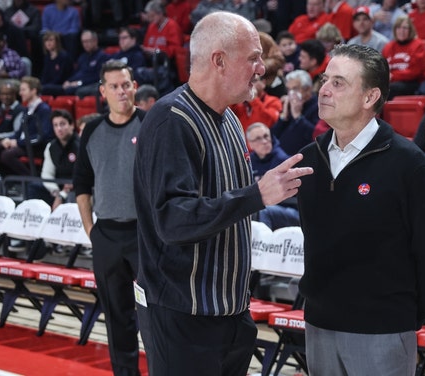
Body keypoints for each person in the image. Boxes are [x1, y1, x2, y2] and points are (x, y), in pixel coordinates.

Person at [133, 12, 313, 375]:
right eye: (253, 58)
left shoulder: (230, 118)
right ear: (219, 60)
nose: (262, 68)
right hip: (184, 315)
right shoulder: (172, 120)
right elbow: (172, 219)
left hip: (230, 311)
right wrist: (255, 197)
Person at [296, 44, 425, 375]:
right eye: (324, 79)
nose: (323, 90)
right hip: (319, 325)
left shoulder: (409, 164)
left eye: (339, 82)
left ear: (369, 98)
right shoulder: (308, 160)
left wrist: (401, 317)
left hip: (382, 330)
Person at [73, 60, 145, 376]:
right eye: (114, 86)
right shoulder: (91, 130)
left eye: (125, 84)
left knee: (154, 313)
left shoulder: (150, 124)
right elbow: (80, 185)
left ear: (134, 87)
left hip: (144, 236)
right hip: (107, 236)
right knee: (117, 315)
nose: (121, 91)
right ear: (103, 92)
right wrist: (92, 231)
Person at [0, 76, 53, 177]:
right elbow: (20, 132)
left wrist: (17, 142)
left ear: (33, 91)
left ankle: (31, 180)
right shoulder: (27, 109)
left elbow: (42, 135)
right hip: (23, 143)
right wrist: (9, 139)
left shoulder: (44, 109)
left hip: (35, 146)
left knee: (7, 155)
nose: (20, 93)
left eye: (23, 90)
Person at [27, 109, 78, 209]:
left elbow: (81, 177)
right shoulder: (51, 147)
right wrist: (56, 192)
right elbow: (47, 174)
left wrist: (62, 195)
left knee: (73, 195)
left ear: (71, 125)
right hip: (57, 188)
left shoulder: (81, 146)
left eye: (62, 124)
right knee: (34, 186)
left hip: (75, 187)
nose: (59, 128)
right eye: (55, 125)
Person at [44, 30, 109, 98]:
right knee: (47, 88)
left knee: (63, 90)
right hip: (73, 85)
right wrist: (68, 81)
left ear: (95, 41)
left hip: (87, 86)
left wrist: (79, 83)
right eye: (83, 42)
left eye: (87, 41)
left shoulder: (102, 57)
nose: (85, 44)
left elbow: (97, 77)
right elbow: (75, 73)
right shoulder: (82, 57)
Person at [271, 69, 320, 156]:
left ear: (308, 89)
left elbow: (316, 136)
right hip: (279, 155)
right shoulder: (290, 105)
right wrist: (283, 117)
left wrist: (298, 116)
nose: (291, 93)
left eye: (295, 89)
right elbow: (274, 135)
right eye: (289, 89)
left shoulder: (318, 107)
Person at [382, 15, 425, 99]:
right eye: (398, 28)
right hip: (392, 82)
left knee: (390, 89)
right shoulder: (388, 47)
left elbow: (415, 72)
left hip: (413, 82)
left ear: (410, 30)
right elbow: (383, 68)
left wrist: (393, 76)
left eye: (405, 28)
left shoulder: (418, 45)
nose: (401, 31)